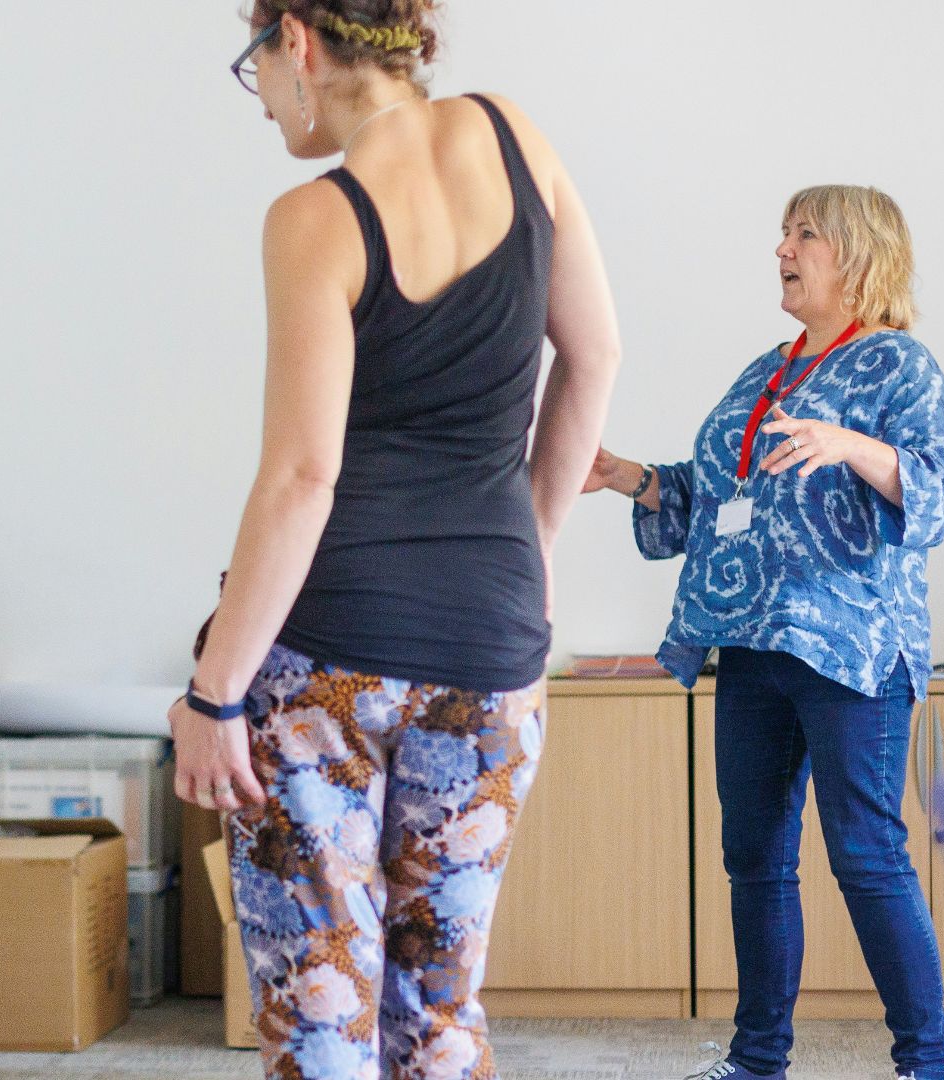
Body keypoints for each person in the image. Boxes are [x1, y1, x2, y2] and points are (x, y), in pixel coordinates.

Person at [168, 2, 621, 1077]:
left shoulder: (314, 217)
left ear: (300, 43)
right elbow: (594, 358)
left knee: (326, 1007)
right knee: (440, 1007)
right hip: (492, 653)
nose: (266, 97)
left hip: (328, 657)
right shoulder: (516, 139)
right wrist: (532, 549)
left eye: (258, 67)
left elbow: (302, 476)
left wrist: (212, 693)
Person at [585, 185, 944, 1080]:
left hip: (852, 651)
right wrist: (625, 475)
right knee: (752, 856)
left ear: (861, 257)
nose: (782, 250)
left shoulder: (902, 368)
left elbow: (939, 494)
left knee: (866, 856)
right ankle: (758, 1061)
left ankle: (928, 1062)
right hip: (750, 644)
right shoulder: (769, 369)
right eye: (782, 235)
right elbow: (713, 494)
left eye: (804, 235)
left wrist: (854, 446)